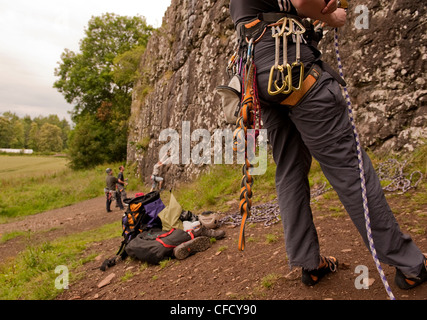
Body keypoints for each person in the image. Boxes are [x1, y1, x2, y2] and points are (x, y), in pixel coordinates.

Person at [228, 0, 426, 289]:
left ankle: (309, 263)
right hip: (295, 71)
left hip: (260, 79)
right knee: (348, 168)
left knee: (289, 170)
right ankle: (410, 264)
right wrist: (332, 16)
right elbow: (303, 1)